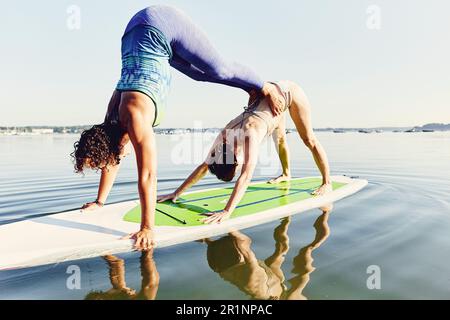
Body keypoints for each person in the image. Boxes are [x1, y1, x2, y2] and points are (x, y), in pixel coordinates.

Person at [71, 5, 285, 250]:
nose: (109, 164)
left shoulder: (134, 116)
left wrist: (147, 228)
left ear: (112, 150)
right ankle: (250, 88)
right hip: (135, 33)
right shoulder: (111, 120)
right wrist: (100, 202)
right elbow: (112, 161)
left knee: (218, 69)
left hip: (160, 23)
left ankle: (264, 86)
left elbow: (148, 175)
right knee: (199, 75)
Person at [158, 80, 331, 224]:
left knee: (308, 139)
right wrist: (176, 193)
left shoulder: (250, 135)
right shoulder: (223, 137)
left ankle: (327, 181)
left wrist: (227, 211)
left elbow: (246, 176)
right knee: (279, 140)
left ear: (235, 160)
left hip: (289, 93)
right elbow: (204, 166)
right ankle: (287, 174)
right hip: (267, 105)